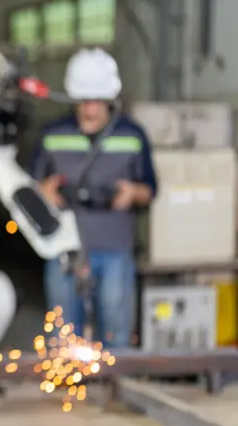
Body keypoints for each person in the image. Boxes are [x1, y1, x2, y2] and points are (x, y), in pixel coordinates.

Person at [29, 48, 158, 348]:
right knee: (63, 337)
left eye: (98, 101)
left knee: (116, 332)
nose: (91, 109)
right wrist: (43, 191)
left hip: (115, 248)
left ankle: (115, 388)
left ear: (110, 98)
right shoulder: (51, 134)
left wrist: (132, 193)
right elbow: (28, 188)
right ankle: (67, 387)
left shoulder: (132, 134)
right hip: (63, 248)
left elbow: (151, 188)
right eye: (84, 101)